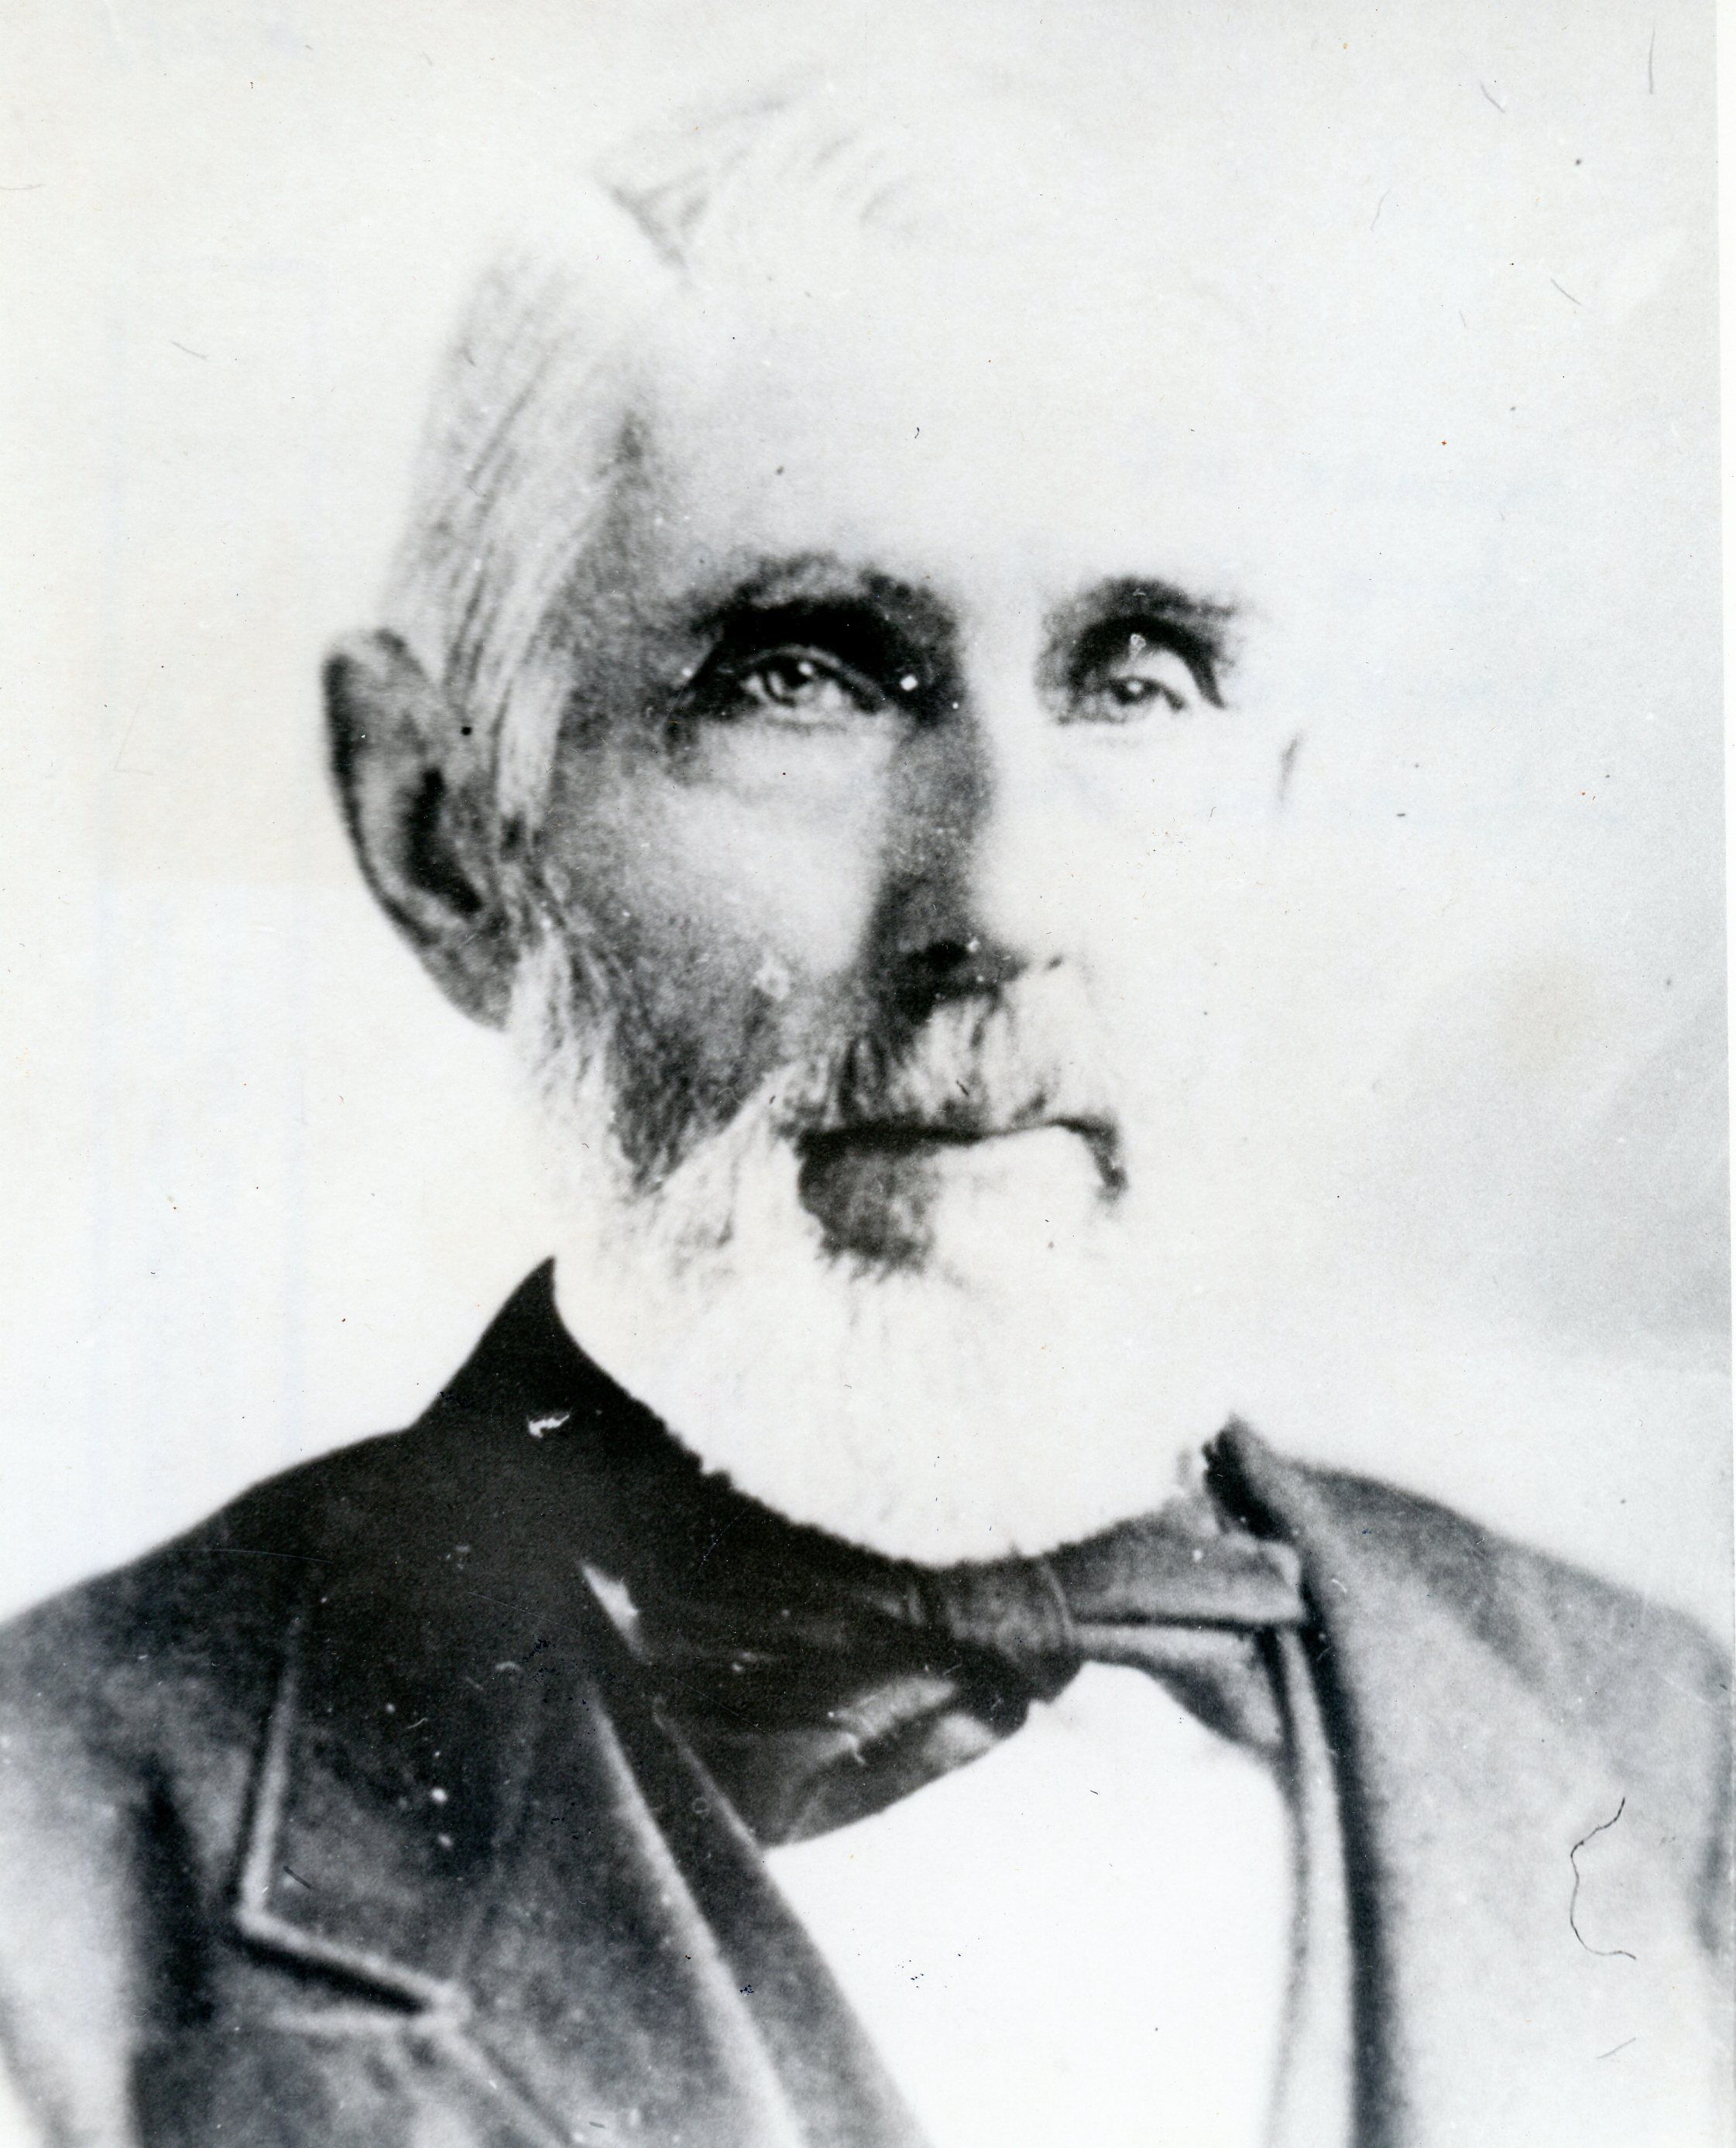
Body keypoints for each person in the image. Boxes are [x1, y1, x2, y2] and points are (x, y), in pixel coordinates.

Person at [0, 91, 1727, 2148]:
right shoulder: (49, 1873)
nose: (1002, 901)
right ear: (441, 830)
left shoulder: (1662, 1762)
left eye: (1136, 678)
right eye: (802, 675)